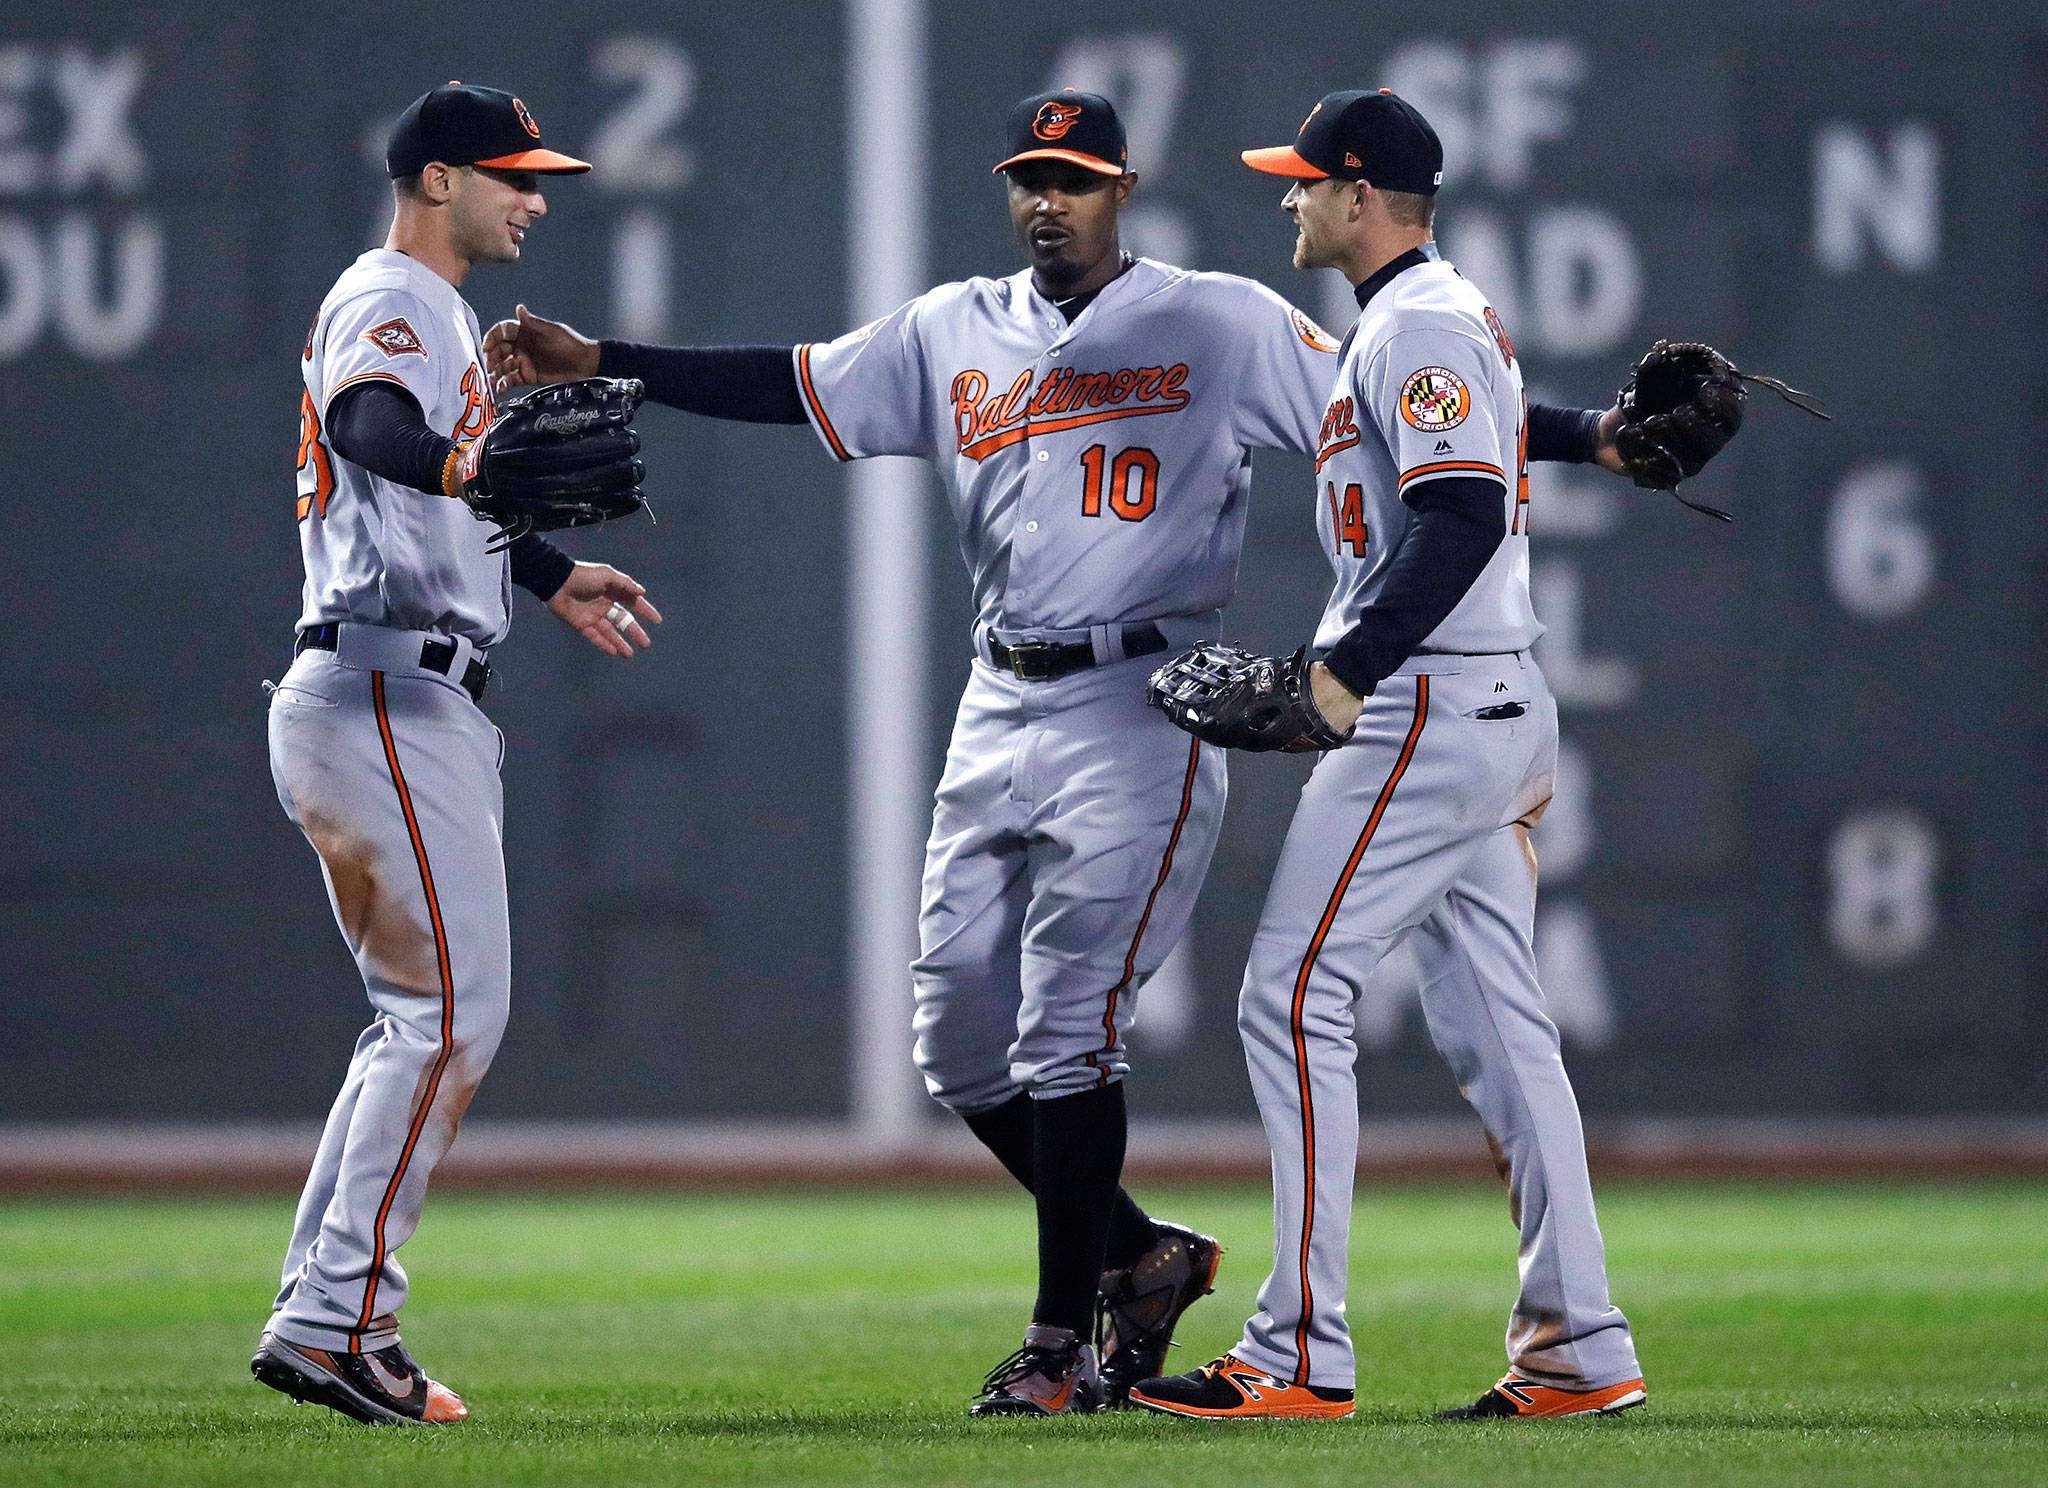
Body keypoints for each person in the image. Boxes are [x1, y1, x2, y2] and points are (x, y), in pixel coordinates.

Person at [486, 89, 1628, 1416]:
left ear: (1121, 191)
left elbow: (1430, 432)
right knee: (961, 1043)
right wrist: (606, 361)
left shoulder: (1224, 319)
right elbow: (791, 383)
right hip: (1005, 695)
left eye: (1075, 177)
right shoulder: (952, 329)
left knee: (1139, 1017)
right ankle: (1194, 1269)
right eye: (1029, 174)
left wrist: (1581, 442)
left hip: (1155, 699)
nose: (1048, 198)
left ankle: (1102, 1342)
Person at [1130, 90, 1652, 1422]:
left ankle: (1299, 1350)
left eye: (1305, 183)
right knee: (1502, 1031)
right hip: (1482, 707)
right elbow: (1490, 445)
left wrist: (1342, 673)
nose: (1287, 200)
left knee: (1290, 995)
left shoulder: (1417, 323)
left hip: (1426, 702)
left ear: (1363, 196)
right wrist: (1598, 435)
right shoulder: (1427, 318)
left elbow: (1463, 510)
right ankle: (1579, 1345)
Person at [251, 82, 660, 1427]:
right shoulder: (401, 294)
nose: (534, 199)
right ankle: (336, 1325)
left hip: (388, 688)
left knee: (418, 1027)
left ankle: (325, 1314)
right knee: (447, 1022)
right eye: (512, 176)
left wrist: (543, 572)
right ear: (439, 181)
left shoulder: (434, 314)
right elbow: (374, 430)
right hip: (383, 696)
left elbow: (412, 486)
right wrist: (483, 480)